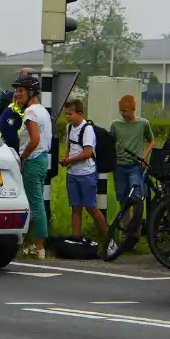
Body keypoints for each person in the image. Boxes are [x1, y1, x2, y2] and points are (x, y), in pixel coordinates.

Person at [13, 75, 52, 259]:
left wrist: (23, 156)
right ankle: (34, 244)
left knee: (35, 203)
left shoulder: (30, 113)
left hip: (33, 159)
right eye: (17, 90)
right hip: (43, 159)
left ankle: (39, 247)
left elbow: (35, 139)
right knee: (37, 201)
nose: (17, 94)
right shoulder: (42, 111)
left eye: (21, 90)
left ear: (31, 93)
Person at [61, 99, 109, 240]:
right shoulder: (69, 128)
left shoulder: (87, 129)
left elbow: (87, 153)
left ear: (80, 113)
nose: (67, 117)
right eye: (66, 114)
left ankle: (107, 237)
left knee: (91, 207)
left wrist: (70, 160)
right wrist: (66, 159)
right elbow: (69, 147)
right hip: (72, 173)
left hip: (86, 173)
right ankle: (76, 238)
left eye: (70, 114)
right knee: (75, 208)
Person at [109, 95, 154, 208]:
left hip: (135, 166)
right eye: (121, 111)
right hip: (119, 166)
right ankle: (127, 225)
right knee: (122, 199)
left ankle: (136, 225)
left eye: (125, 111)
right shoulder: (115, 124)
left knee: (137, 198)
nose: (122, 113)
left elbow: (151, 140)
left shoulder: (143, 123)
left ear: (133, 109)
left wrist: (145, 156)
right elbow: (110, 142)